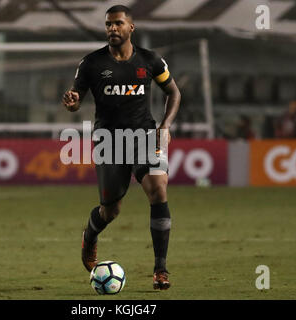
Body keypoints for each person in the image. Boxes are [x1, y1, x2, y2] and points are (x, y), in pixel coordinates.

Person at [61, 5, 181, 290]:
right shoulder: (91, 63)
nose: (112, 29)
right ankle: (90, 236)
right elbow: (76, 97)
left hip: (145, 136)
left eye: (117, 24)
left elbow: (174, 92)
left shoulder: (150, 61)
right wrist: (73, 101)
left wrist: (164, 126)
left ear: (131, 28)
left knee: (158, 187)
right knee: (110, 210)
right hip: (109, 141)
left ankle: (160, 270)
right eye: (108, 25)